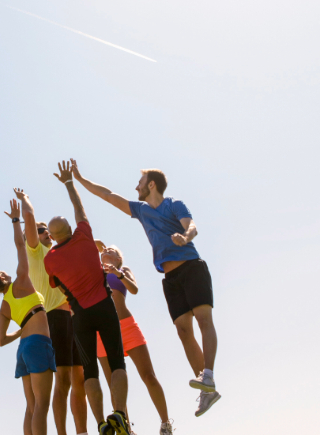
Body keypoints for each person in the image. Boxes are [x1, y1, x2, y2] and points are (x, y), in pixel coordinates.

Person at [71, 159, 221, 417]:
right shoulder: (140, 210)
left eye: (140, 182)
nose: (136, 186)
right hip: (170, 278)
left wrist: (184, 237)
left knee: (203, 320)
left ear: (151, 184)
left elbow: (191, 226)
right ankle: (207, 391)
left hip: (191, 267)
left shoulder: (174, 204)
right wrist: (81, 180)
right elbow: (108, 196)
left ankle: (208, 375)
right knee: (184, 331)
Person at [43, 161, 135, 435]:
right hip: (105, 307)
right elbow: (79, 207)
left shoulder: (51, 260)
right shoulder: (83, 234)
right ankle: (119, 413)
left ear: (53, 237)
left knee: (90, 372)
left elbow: (56, 287)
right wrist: (70, 183)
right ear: (69, 228)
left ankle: (100, 425)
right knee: (118, 364)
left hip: (79, 316)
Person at [14, 188, 108, 435]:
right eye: (41, 231)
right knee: (63, 382)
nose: (44, 233)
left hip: (71, 317)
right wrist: (25, 201)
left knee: (80, 378)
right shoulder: (36, 253)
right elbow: (30, 219)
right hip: (53, 317)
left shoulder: (58, 254)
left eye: (47, 231)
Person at [0, 197, 56, 435]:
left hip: (23, 350)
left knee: (31, 407)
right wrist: (16, 220)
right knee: (41, 407)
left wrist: (21, 331)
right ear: (2, 276)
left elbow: (0, 340)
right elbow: (19, 245)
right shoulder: (22, 279)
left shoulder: (5, 305)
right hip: (38, 345)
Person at [93, 241, 174, 435]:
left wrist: (117, 272)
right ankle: (126, 431)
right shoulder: (95, 270)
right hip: (102, 333)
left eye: (113, 251)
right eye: (106, 250)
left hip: (127, 327)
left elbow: (134, 289)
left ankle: (166, 424)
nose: (108, 251)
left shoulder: (123, 271)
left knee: (149, 376)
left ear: (119, 259)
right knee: (113, 384)